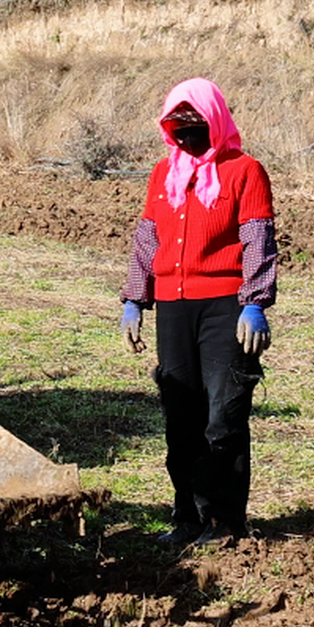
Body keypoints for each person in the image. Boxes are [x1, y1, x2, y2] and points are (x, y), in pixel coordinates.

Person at [118, 78, 279, 545]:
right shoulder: (162, 174)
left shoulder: (244, 171)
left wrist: (254, 302)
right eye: (178, 128)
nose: (187, 138)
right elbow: (147, 239)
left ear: (216, 122)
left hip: (225, 306)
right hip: (173, 305)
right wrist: (134, 298)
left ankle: (223, 520)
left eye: (196, 127)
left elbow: (257, 241)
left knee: (223, 414)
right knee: (180, 414)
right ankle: (186, 515)